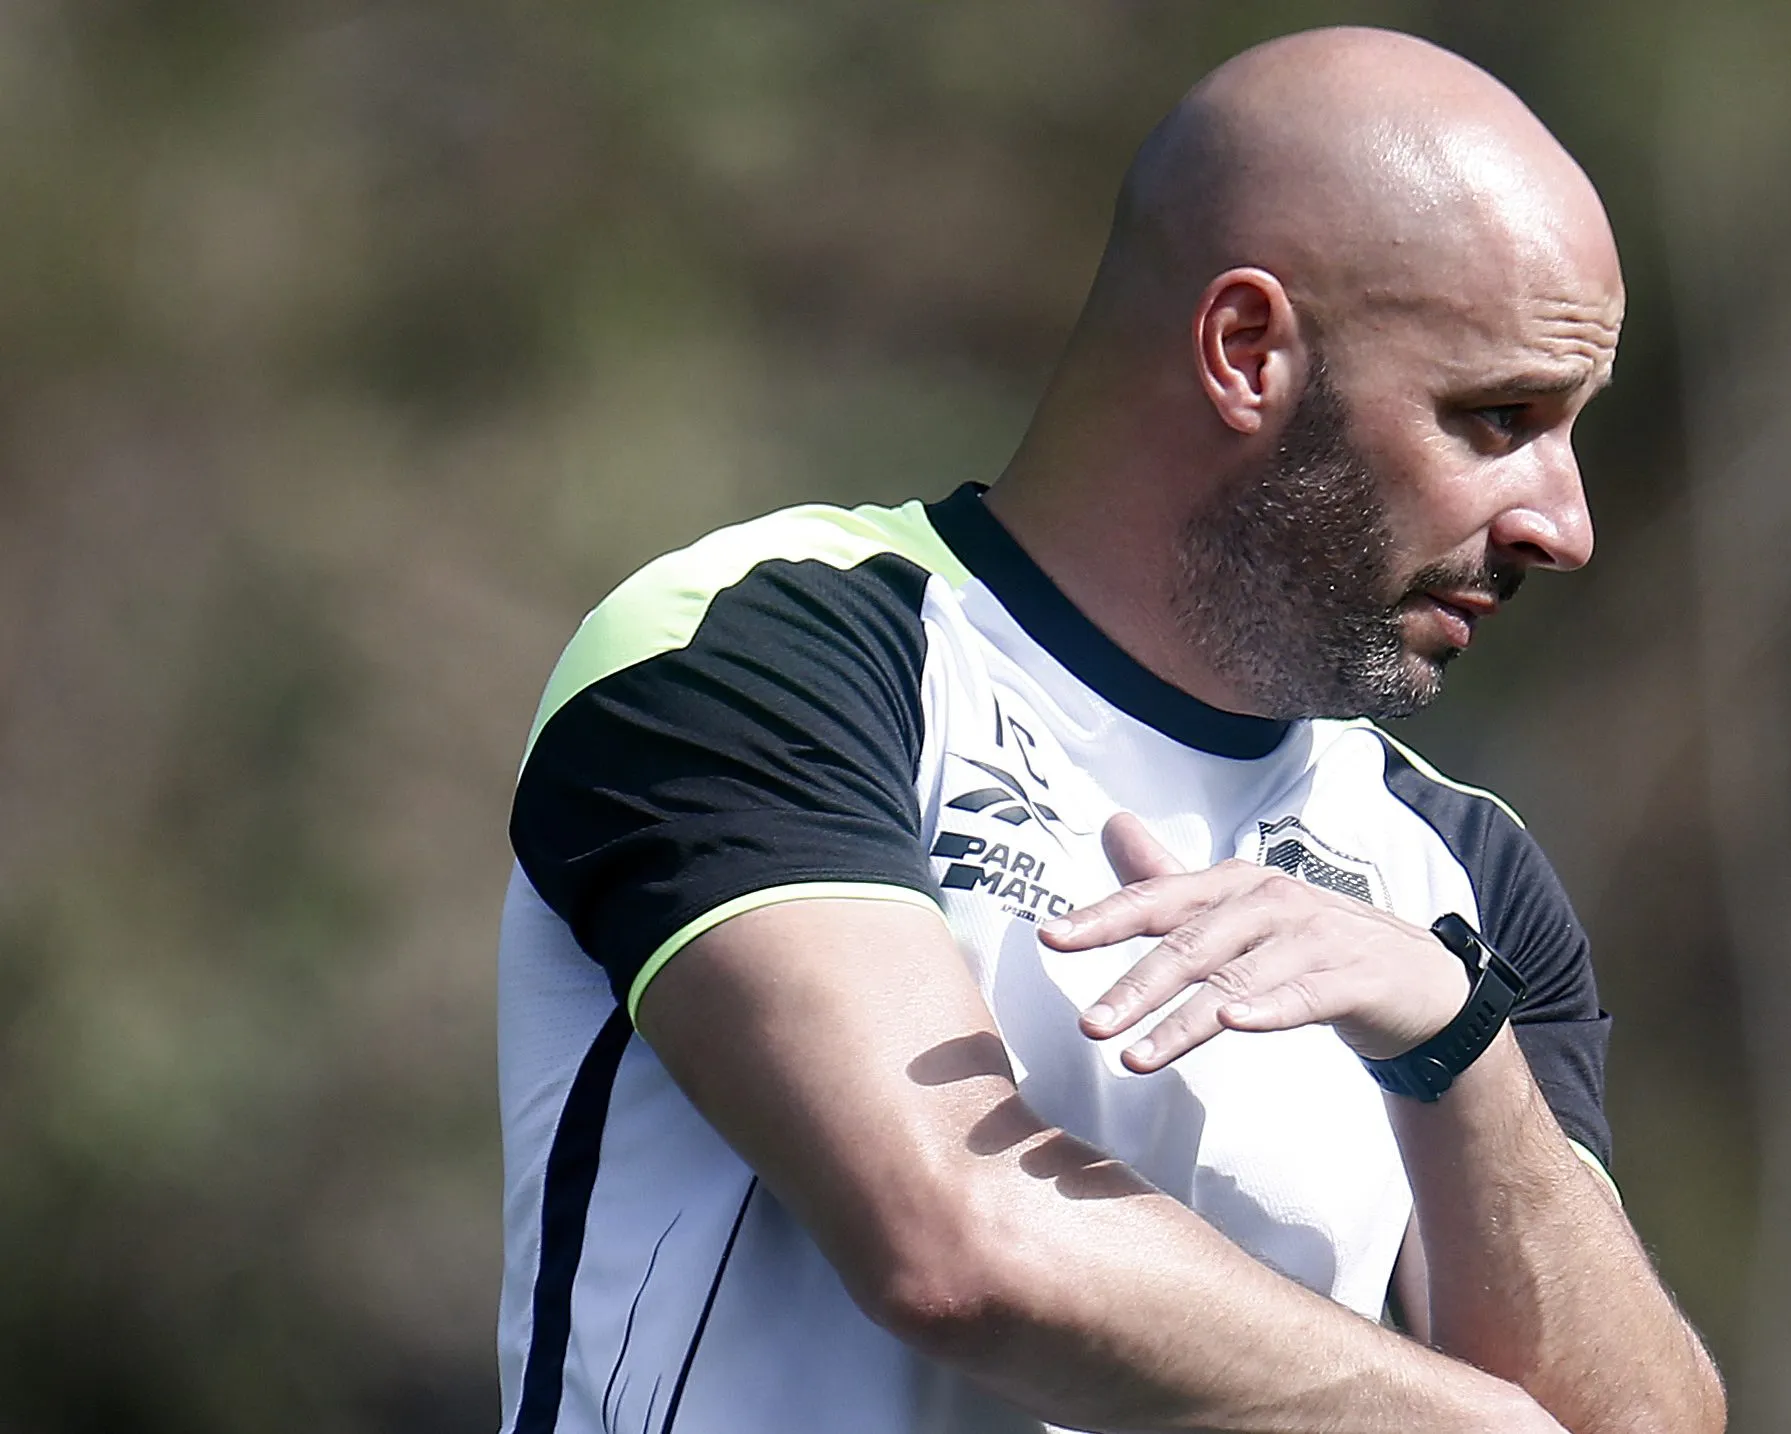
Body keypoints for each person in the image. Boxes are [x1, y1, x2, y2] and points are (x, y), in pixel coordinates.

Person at [496, 25, 1725, 1434]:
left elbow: (1638, 1422)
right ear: (1246, 348)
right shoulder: (765, 650)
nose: (1560, 525)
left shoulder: (1460, 875)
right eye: (1495, 416)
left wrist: (1453, 1040)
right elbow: (957, 1241)